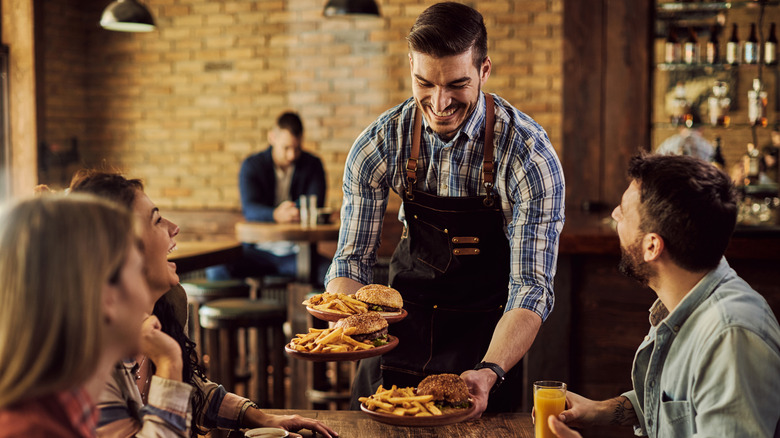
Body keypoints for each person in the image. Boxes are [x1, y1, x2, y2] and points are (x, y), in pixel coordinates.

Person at [324, 2, 565, 416]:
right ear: (411, 68)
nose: (439, 102)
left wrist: (490, 370)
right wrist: (349, 326)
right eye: (425, 83)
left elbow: (532, 287)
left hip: (486, 350)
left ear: (484, 70)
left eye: (457, 84)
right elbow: (351, 261)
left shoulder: (528, 154)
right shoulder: (380, 143)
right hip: (398, 340)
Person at [69, 171, 338, 438]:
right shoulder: (88, 363)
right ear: (121, 250)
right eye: (157, 220)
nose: (174, 227)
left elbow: (192, 390)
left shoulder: (166, 307)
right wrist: (169, 360)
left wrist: (263, 418)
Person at [546, 154, 780, 437]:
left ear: (652, 246)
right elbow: (678, 403)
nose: (615, 216)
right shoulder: (685, 300)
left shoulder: (730, 338)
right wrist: (599, 411)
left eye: (623, 211)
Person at [0, 194, 154, 437]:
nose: (147, 297)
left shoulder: (61, 414)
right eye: (139, 272)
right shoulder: (34, 431)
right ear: (106, 296)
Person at [207, 111, 331, 285]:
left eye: (297, 148)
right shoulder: (252, 165)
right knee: (216, 270)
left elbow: (315, 204)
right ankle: (248, 310)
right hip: (257, 252)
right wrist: (276, 215)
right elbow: (250, 209)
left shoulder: (313, 164)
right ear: (272, 138)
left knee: (333, 275)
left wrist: (293, 212)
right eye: (286, 148)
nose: (292, 155)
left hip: (297, 253)